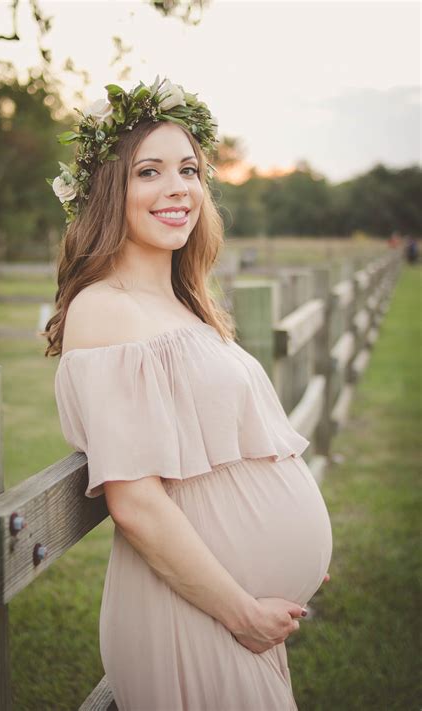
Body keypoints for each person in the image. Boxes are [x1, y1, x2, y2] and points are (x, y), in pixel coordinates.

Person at [45, 76, 333, 710]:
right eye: (149, 171)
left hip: (236, 612)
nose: (177, 188)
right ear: (106, 192)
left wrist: (293, 555)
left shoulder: (186, 306)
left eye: (189, 170)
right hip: (198, 614)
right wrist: (241, 613)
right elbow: (137, 503)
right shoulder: (104, 310)